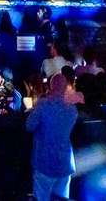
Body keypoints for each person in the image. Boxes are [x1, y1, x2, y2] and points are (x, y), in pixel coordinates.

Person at [26, 73, 80, 201]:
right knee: (62, 199)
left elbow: (29, 126)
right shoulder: (73, 109)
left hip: (44, 161)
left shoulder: (43, 104)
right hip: (65, 162)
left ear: (50, 86)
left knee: (41, 197)